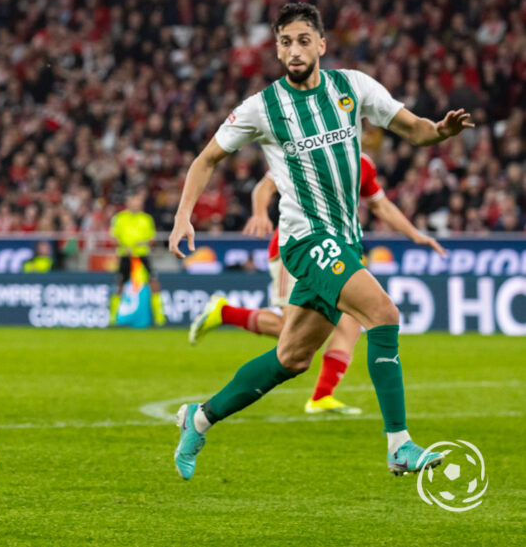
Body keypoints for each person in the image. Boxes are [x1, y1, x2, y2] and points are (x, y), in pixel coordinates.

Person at [167, 3, 473, 480]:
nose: (294, 49)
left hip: (344, 240)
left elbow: (415, 130)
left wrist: (441, 132)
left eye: (303, 40)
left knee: (291, 359)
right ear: (276, 48)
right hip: (306, 240)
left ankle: (198, 418)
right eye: (285, 41)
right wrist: (183, 217)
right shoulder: (261, 107)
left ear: (321, 45)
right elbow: (206, 159)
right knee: (384, 314)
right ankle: (400, 445)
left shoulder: (352, 87)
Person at [189, 154, 446, 415]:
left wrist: (415, 234)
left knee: (349, 325)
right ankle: (224, 313)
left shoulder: (363, 163)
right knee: (291, 334)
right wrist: (259, 213)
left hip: (334, 253)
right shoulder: (308, 149)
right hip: (295, 248)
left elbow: (381, 206)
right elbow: (266, 186)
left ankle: (321, 397)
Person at [109, 191, 165, 325]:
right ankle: (113, 318)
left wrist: (144, 243)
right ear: (128, 202)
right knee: (120, 285)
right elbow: (113, 237)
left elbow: (152, 239)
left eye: (138, 201)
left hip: (142, 255)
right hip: (125, 255)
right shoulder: (120, 218)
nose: (135, 203)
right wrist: (124, 246)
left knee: (154, 284)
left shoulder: (146, 218)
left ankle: (159, 318)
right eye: (133, 200)